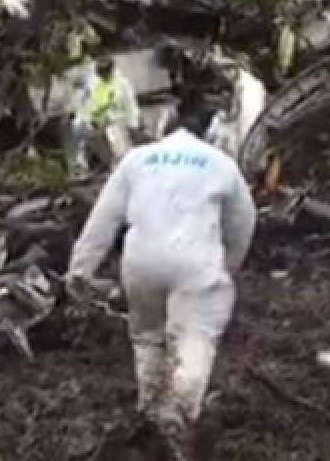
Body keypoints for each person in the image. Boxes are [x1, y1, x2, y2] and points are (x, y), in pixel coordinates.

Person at [65, 95, 257, 458]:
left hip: (141, 264)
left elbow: (102, 219)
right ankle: (176, 423)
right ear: (207, 133)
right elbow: (243, 222)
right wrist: (230, 265)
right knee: (194, 340)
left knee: (147, 338)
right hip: (195, 265)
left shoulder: (136, 160)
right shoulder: (221, 164)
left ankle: (150, 412)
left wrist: (80, 270)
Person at [71, 56, 140, 173]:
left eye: (106, 72)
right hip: (97, 126)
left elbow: (130, 106)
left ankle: (123, 163)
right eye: (101, 73)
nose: (103, 75)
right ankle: (101, 162)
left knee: (120, 146)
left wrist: (133, 125)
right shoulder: (92, 85)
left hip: (117, 122)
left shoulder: (122, 84)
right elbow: (83, 108)